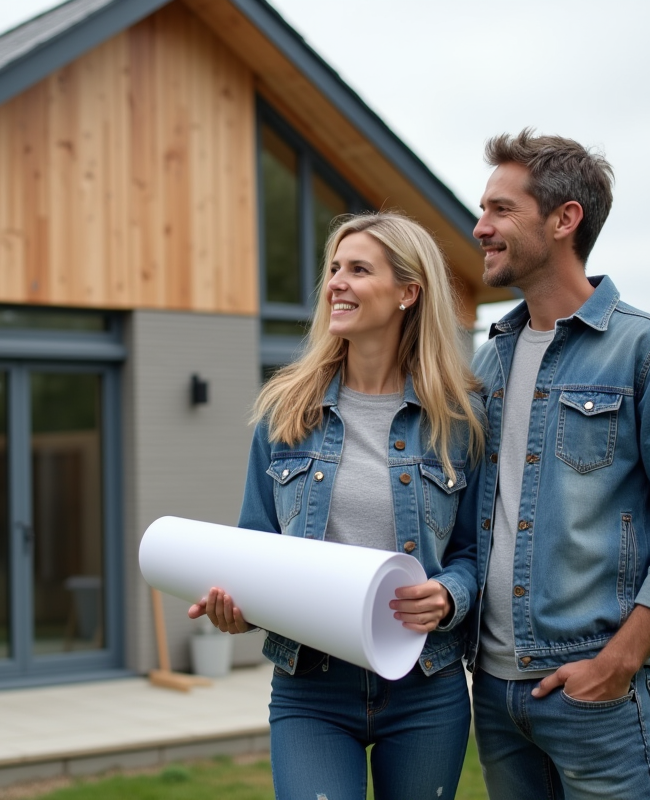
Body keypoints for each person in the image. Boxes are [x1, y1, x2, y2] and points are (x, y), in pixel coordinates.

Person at [467, 130, 650, 800]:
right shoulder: (488, 361)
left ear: (564, 220)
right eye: (483, 210)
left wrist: (619, 662)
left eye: (501, 210)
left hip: (596, 694)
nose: (481, 228)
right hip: (496, 695)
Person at [188, 211, 485, 799]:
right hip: (311, 686)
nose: (335, 284)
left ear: (408, 291)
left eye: (357, 269)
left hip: (425, 684)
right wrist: (239, 607)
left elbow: (477, 551)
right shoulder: (285, 412)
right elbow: (256, 546)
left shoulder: (460, 419)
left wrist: (451, 593)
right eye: (332, 269)